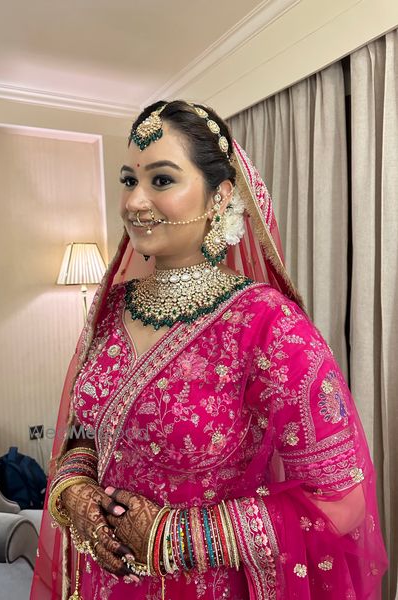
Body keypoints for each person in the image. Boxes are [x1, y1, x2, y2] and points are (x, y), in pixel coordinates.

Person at [31, 100, 387, 600]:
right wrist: (75, 486)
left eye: (161, 180)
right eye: (129, 180)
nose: (134, 202)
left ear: (220, 196)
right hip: (102, 580)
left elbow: (341, 502)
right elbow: (85, 426)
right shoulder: (110, 307)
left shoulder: (268, 324)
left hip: (203, 586)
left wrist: (175, 537)